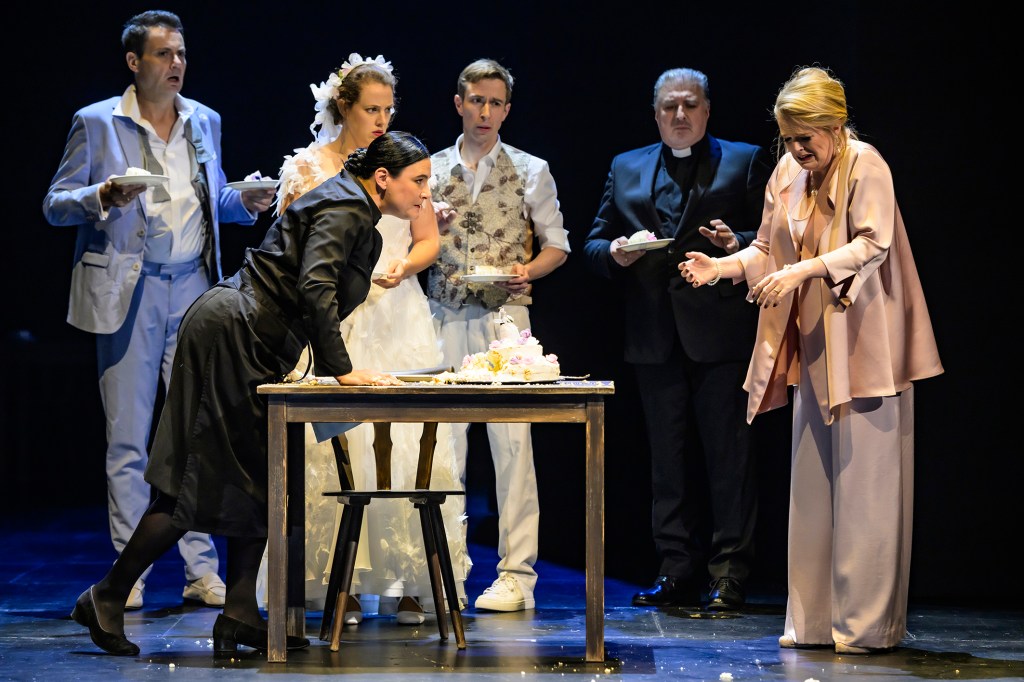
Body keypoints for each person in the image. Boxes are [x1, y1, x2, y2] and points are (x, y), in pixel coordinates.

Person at [69, 130, 434, 657]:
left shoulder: (351, 203)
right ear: (383, 178)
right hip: (234, 333)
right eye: (418, 181)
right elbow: (315, 286)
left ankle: (240, 611)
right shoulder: (347, 207)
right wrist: (342, 371)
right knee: (194, 480)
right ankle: (107, 595)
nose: (424, 193)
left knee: (259, 477)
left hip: (249, 334)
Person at [680, 66, 943, 653]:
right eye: (788, 139)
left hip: (866, 341)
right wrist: (720, 268)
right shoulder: (786, 173)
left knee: (867, 491)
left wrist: (801, 271)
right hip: (815, 343)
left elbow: (872, 243)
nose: (797, 150)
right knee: (813, 493)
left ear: (836, 123)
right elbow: (765, 249)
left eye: (806, 138)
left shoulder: (866, 164)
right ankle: (815, 623)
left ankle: (866, 628)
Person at [41, 10, 276, 611]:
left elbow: (212, 200)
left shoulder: (204, 120)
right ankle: (130, 576)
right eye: (164, 54)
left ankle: (202, 571)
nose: (177, 64)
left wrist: (245, 200)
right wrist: (102, 193)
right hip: (130, 289)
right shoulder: (97, 121)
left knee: (201, 434)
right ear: (134, 62)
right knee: (129, 438)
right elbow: (55, 203)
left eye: (181, 54)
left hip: (194, 288)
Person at [255, 53, 470, 624]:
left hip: (397, 310)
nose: (381, 119)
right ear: (344, 107)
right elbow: (294, 251)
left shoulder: (400, 161)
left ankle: (410, 579)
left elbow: (426, 237)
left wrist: (405, 265)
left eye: (388, 109)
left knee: (410, 444)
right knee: (336, 446)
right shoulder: (311, 167)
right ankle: (339, 581)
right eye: (371, 109)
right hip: (336, 315)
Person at [584, 68, 773, 611]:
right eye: (670, 106)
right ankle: (675, 570)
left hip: (720, 334)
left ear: (707, 110)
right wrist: (615, 253)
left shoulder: (743, 159)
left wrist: (733, 241)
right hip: (653, 337)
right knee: (666, 462)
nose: (680, 115)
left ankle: (729, 573)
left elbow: (771, 236)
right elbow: (594, 243)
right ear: (655, 113)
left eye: (690, 105)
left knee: (729, 459)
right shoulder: (626, 166)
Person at [426, 58, 569, 612]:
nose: (484, 112)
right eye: (476, 101)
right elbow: (408, 240)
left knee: (512, 449)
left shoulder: (531, 169)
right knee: (446, 449)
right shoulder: (431, 169)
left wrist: (527, 271)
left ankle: (516, 575)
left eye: (495, 103)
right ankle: (445, 570)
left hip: (506, 319)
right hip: (444, 314)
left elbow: (557, 245)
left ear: (506, 110)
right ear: (459, 103)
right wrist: (430, 228)